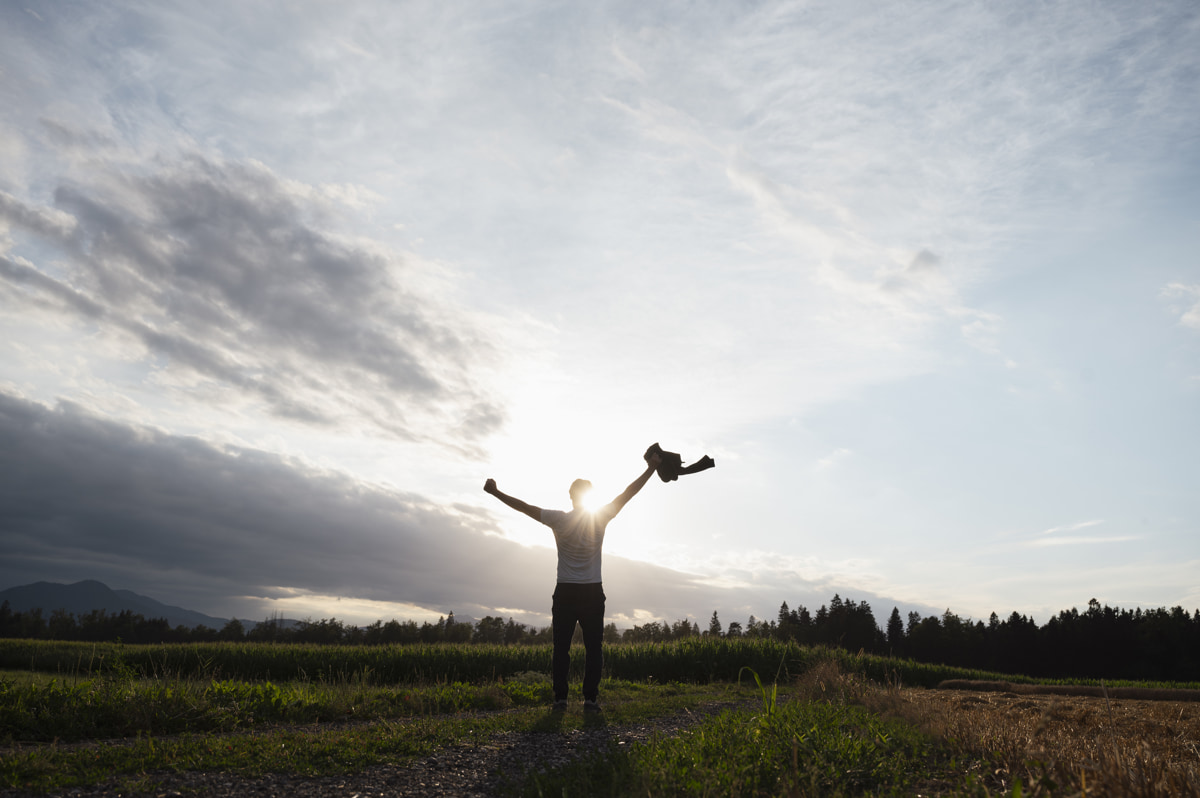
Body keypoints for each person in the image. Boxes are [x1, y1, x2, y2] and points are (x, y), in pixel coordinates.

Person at [483, 450, 660, 712]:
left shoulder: (559, 519)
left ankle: (560, 699)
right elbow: (628, 493)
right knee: (593, 649)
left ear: (570, 496)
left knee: (561, 649)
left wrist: (496, 493)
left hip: (565, 591)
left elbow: (525, 507)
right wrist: (651, 469)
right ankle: (590, 699)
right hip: (591, 591)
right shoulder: (601, 516)